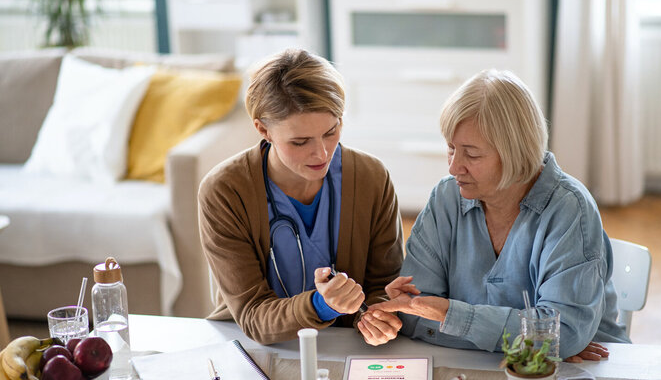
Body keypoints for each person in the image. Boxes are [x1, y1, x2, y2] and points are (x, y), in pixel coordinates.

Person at [367, 69, 630, 360]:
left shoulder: (570, 209)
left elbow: (562, 336)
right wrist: (534, 341)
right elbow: (415, 316)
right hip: (496, 365)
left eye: (472, 154)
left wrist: (450, 316)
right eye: (451, 149)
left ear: (516, 152)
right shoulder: (446, 197)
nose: (454, 168)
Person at [198, 49, 404, 345]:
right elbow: (252, 314)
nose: (321, 154)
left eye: (331, 132)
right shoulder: (225, 191)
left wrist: (374, 316)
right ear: (263, 129)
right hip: (256, 347)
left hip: (346, 344)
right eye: (299, 141)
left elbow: (384, 283)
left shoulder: (371, 177)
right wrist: (321, 305)